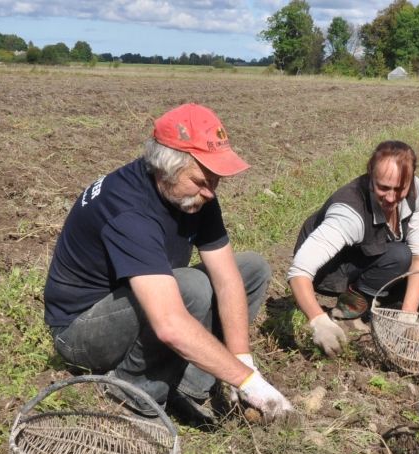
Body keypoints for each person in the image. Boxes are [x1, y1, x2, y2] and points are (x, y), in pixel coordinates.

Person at [43, 103, 295, 424]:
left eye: (215, 181)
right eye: (201, 181)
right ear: (165, 167)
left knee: (252, 269)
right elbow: (169, 323)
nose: (210, 192)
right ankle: (133, 392)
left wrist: (243, 362)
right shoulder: (129, 210)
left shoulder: (196, 195)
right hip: (81, 331)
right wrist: (249, 383)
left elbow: (228, 278)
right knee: (191, 287)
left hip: (136, 300)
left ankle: (190, 387)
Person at [287, 141, 419, 356]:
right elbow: (299, 271)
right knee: (399, 256)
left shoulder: (416, 191)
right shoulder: (349, 212)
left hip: (376, 258)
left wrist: (408, 316)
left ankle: (380, 305)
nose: (391, 197)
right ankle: (346, 312)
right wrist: (317, 320)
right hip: (333, 270)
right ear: (370, 176)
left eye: (399, 189)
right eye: (383, 188)